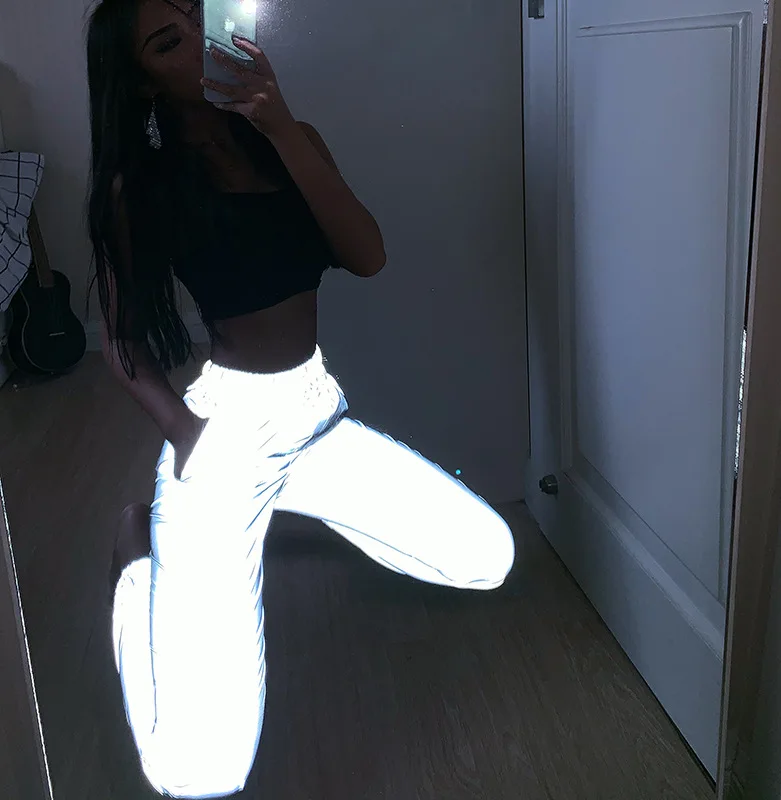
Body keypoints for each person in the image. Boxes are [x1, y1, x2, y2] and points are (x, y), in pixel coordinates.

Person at [86, 0, 516, 796]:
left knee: (489, 560)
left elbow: (369, 255)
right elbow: (121, 344)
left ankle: (291, 503)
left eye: (197, 12)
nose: (197, 39)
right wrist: (185, 433)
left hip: (316, 412)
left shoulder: (289, 138)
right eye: (169, 41)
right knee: (199, 776)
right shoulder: (139, 185)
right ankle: (138, 549)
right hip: (226, 430)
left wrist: (281, 125)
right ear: (142, 82)